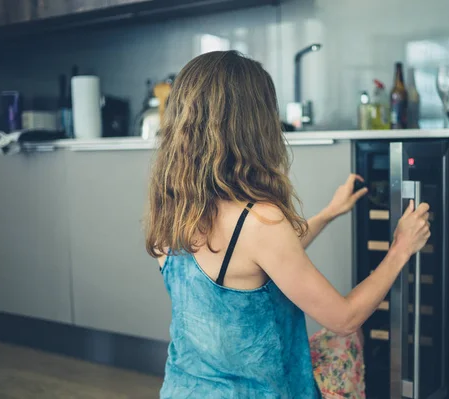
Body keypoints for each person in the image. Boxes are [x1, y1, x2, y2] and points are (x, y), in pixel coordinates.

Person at [145, 50, 431, 399]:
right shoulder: (259, 220)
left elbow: (251, 261)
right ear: (253, 124)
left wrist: (327, 213)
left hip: (180, 390)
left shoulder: (171, 211)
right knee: (342, 342)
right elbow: (344, 318)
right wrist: (401, 248)